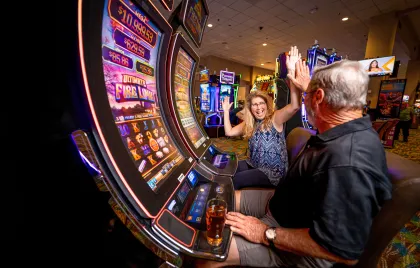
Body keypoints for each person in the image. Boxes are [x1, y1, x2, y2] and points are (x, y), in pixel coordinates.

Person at [197, 59, 392, 267]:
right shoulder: (343, 127)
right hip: (283, 205)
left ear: (319, 98)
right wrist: (306, 85)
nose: (304, 100)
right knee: (221, 197)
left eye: (308, 94)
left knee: (207, 256)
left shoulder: (350, 162)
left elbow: (341, 250)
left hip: (295, 242)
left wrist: (265, 233)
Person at [222, 46, 304, 190]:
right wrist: (225, 111)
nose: (259, 107)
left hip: (272, 172)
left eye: (261, 103)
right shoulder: (250, 123)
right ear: (250, 108)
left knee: (233, 181)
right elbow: (229, 132)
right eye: (254, 105)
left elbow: (295, 106)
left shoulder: (275, 118)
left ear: (267, 105)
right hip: (253, 164)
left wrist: (291, 72)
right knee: (226, 168)